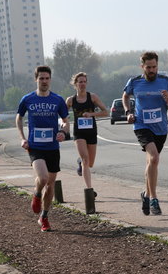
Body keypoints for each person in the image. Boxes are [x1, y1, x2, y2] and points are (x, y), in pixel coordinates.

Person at [16, 65, 70, 232]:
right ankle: (37, 194)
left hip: (52, 147)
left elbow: (66, 121)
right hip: (35, 146)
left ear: (50, 79)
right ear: (36, 79)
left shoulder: (58, 100)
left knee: (51, 184)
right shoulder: (27, 99)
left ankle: (44, 216)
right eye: (41, 78)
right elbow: (19, 118)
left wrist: (62, 131)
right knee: (44, 177)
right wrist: (22, 138)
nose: (44, 81)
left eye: (47, 78)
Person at [122, 51, 168, 215]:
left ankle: (145, 194)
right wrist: (128, 112)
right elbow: (125, 96)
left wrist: (167, 100)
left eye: (154, 67)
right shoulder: (134, 82)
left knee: (151, 163)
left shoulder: (166, 82)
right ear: (142, 67)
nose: (152, 70)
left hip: (160, 128)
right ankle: (153, 198)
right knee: (154, 157)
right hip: (141, 125)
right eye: (149, 67)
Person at [65, 72, 108, 193]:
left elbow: (106, 112)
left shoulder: (93, 97)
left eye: (84, 81)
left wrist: (91, 114)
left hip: (91, 132)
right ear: (75, 84)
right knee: (85, 159)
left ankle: (80, 163)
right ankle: (89, 189)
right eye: (80, 82)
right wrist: (65, 125)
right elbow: (63, 114)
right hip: (79, 133)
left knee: (90, 163)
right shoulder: (70, 100)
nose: (83, 84)